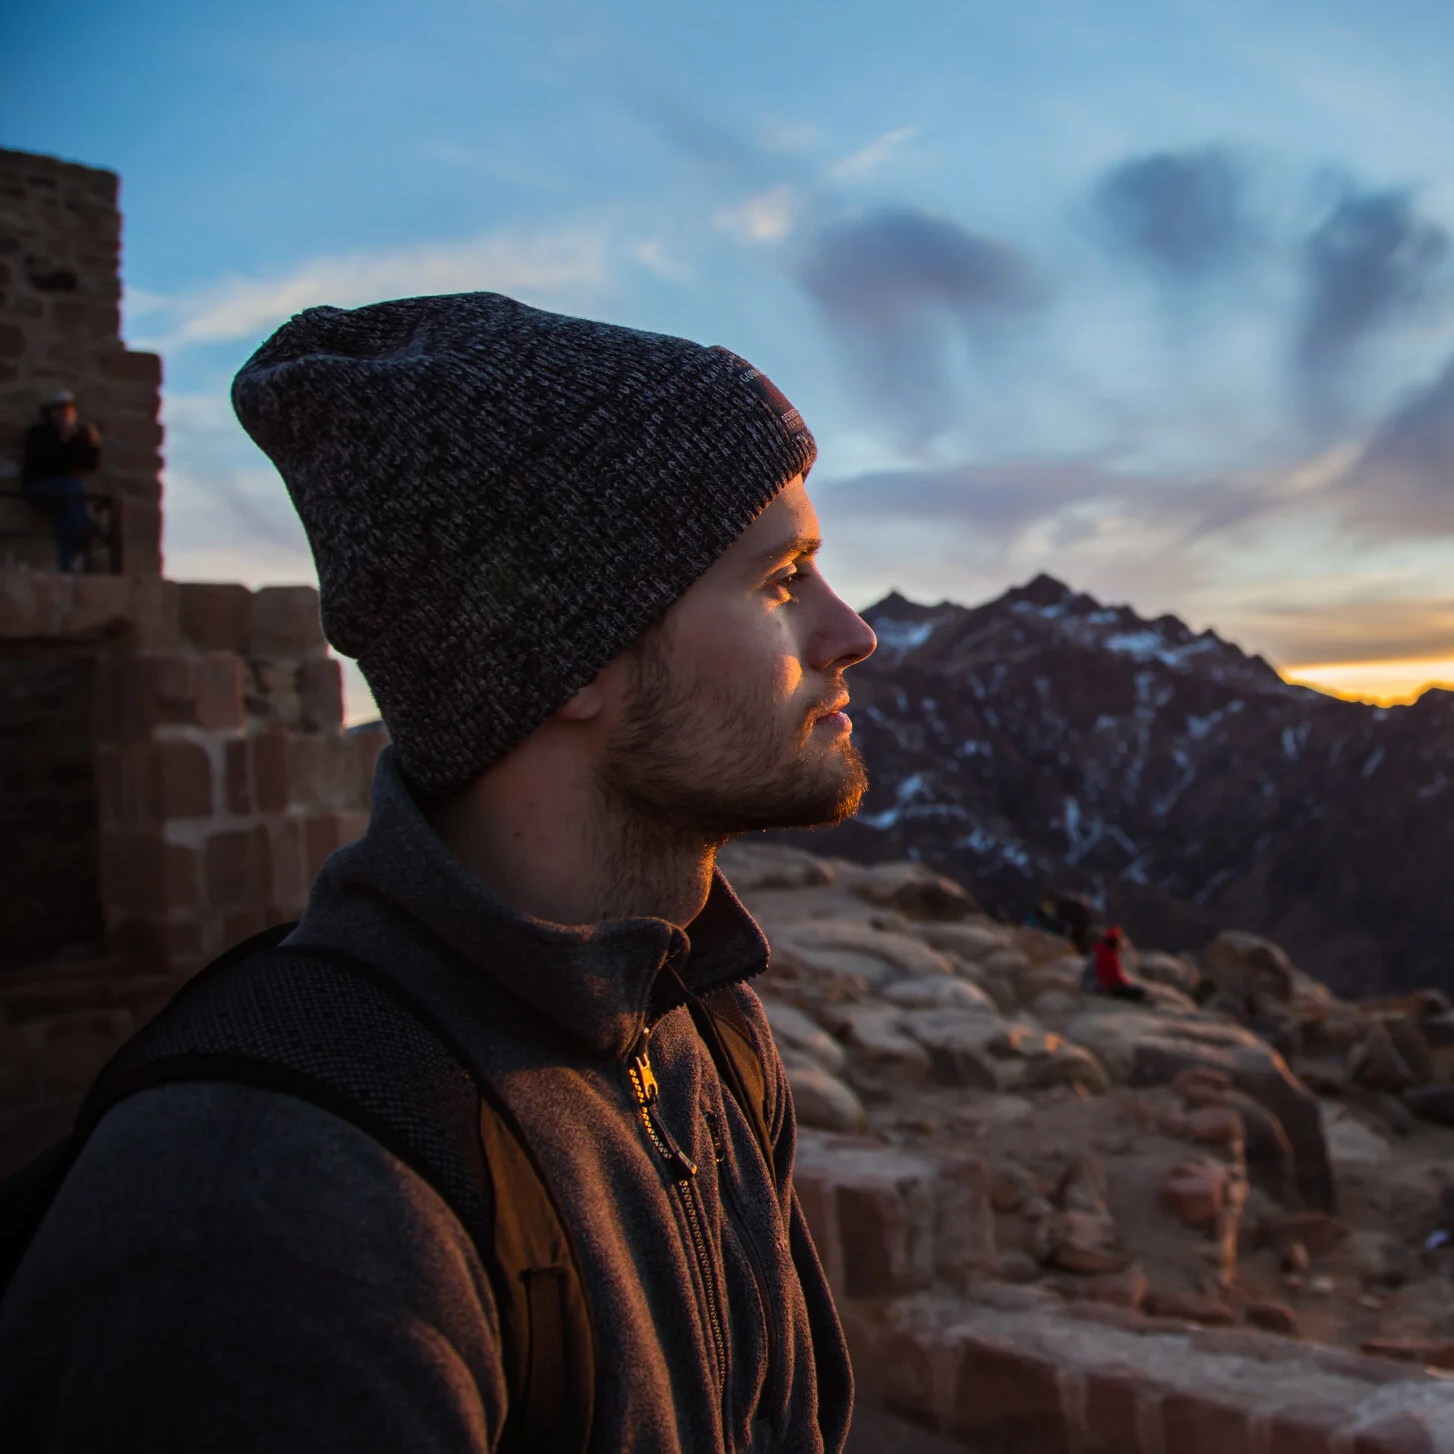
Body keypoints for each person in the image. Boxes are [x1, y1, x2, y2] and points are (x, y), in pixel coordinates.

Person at [0, 294, 874, 1451]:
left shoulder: (702, 1019)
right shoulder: (275, 1214)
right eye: (782, 579)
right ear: (570, 657)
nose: (851, 629)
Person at [20, 388, 102, 572]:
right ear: (50, 413)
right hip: (38, 488)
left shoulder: (75, 437)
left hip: (65, 494)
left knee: (67, 523)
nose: (65, 415)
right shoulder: (39, 434)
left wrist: (93, 445)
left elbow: (89, 466)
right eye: (60, 410)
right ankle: (86, 525)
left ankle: (69, 566)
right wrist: (65, 440)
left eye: (69, 411)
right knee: (74, 489)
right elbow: (49, 463)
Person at [1089, 924, 1148, 1003]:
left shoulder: (1101, 951)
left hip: (1102, 986)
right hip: (1110, 989)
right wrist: (1127, 985)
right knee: (1139, 992)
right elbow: (1117, 975)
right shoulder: (1111, 955)